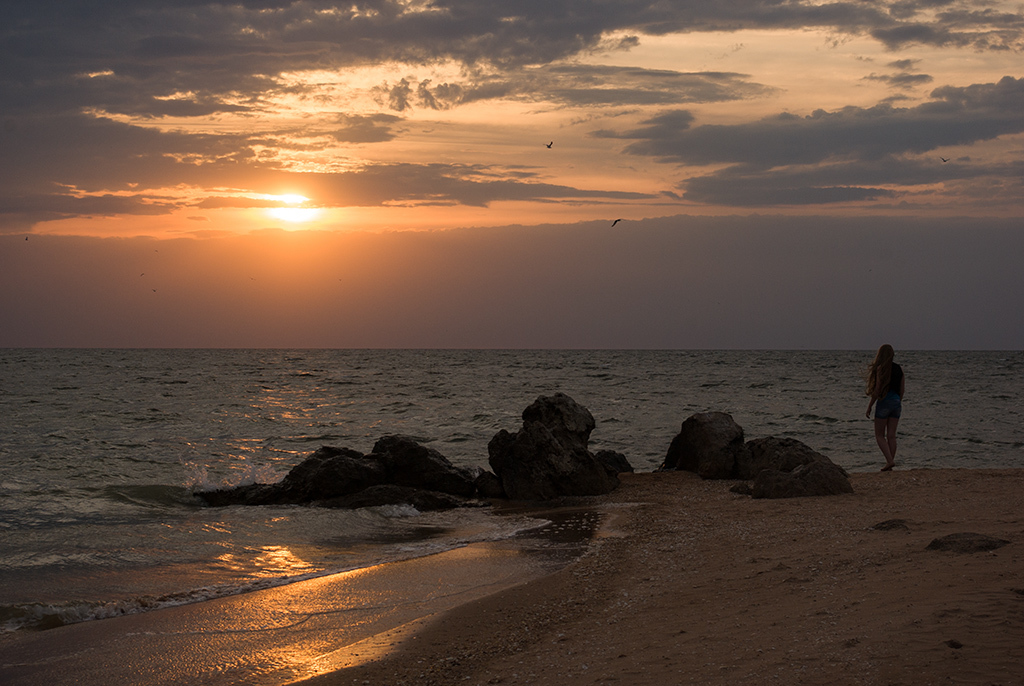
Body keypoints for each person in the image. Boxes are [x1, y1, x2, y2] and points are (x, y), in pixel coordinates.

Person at [864, 344, 904, 471]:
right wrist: (897, 402)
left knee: (879, 435)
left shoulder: (881, 369)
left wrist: (870, 406)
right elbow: (902, 390)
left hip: (884, 401)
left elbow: (877, 390)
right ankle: (890, 462)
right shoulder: (899, 369)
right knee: (891, 435)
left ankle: (890, 461)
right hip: (896, 402)